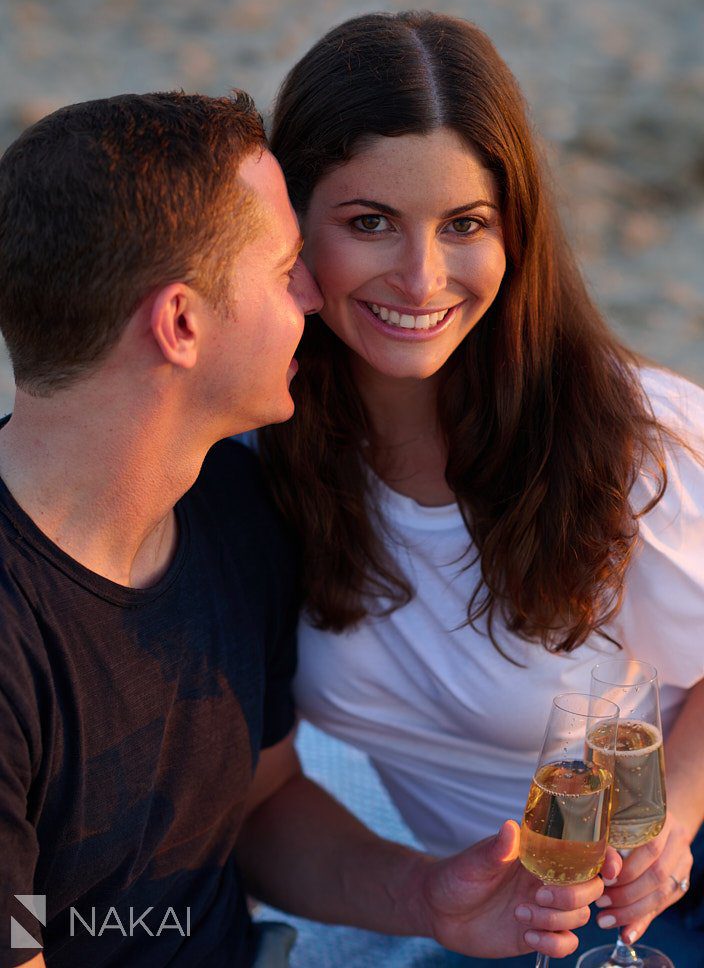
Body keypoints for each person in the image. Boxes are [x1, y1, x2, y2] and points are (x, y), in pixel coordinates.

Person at [0, 91, 611, 968]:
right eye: (285, 264)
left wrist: (427, 896)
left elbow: (257, 805)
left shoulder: (234, 507)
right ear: (180, 324)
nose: (316, 293)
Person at [260, 11, 704, 964]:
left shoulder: (628, 446)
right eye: (369, 222)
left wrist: (676, 810)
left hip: (654, 870)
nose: (422, 278)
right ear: (291, 225)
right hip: (484, 903)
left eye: (465, 225)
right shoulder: (256, 452)